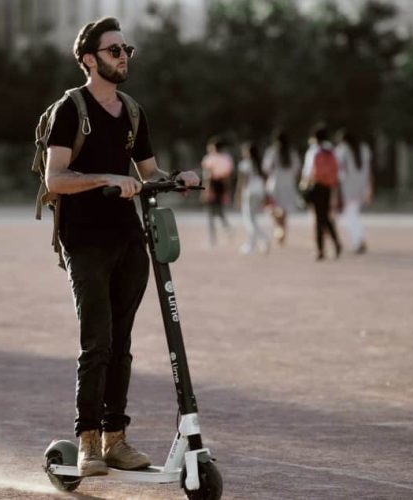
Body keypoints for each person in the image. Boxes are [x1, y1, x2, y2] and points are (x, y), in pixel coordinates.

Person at [43, 17, 200, 477]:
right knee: (97, 342)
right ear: (89, 59)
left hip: (129, 239)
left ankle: (116, 439)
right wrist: (107, 179)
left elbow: (148, 172)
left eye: (126, 49)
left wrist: (177, 179)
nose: (123, 56)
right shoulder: (70, 110)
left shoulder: (132, 110)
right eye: (114, 51)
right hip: (85, 240)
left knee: (123, 343)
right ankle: (87, 441)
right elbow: (55, 179)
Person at [301, 123, 342, 261]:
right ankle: (336, 242)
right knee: (325, 216)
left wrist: (304, 186)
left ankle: (320, 249)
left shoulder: (314, 151)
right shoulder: (331, 150)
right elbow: (337, 170)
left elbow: (308, 172)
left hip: (316, 185)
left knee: (319, 218)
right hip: (328, 186)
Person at [335, 130, 373, 254]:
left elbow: (339, 172)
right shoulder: (364, 149)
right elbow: (369, 172)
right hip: (361, 187)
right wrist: (370, 188)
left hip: (348, 188)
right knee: (352, 214)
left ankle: (358, 241)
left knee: (350, 216)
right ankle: (358, 240)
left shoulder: (342, 150)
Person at [262, 130, 301, 246]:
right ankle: (282, 230)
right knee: (284, 211)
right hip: (288, 183)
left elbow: (266, 167)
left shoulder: (272, 151)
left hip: (275, 183)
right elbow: (296, 168)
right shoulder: (291, 152)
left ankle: (279, 229)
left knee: (273, 209)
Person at [236, 142, 270, 255]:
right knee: (253, 219)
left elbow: (242, 182)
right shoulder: (261, 164)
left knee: (249, 220)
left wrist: (238, 195)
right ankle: (261, 240)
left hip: (250, 193)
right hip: (260, 192)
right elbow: (265, 180)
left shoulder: (245, 164)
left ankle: (253, 244)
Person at [200, 137, 234, 246]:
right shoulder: (227, 159)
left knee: (210, 214)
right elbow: (227, 177)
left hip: (212, 186)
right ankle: (227, 229)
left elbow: (208, 177)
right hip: (221, 186)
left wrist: (205, 191)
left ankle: (212, 239)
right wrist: (227, 191)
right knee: (220, 212)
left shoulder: (210, 159)